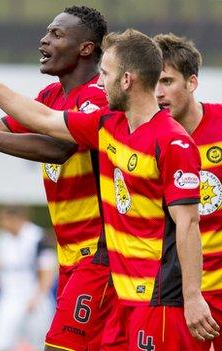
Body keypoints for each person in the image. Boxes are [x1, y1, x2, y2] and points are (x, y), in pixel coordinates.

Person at [0, 28, 219, 349]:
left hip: (157, 297)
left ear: (126, 80)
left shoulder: (173, 142)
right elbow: (44, 118)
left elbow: (188, 223)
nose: (100, 82)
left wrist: (193, 296)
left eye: (106, 74)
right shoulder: (107, 127)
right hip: (122, 294)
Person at [0, 6, 115, 351]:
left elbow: (58, 147)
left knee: (59, 346)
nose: (44, 41)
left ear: (86, 48)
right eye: (47, 33)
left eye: (57, 34)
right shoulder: (50, 97)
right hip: (70, 256)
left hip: (100, 254)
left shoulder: (98, 95)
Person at [153, 33, 222, 350]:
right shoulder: (143, 138)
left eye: (167, 81)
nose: (158, 93)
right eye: (153, 81)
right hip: (175, 293)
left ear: (192, 82)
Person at [0, 205, 56, 351]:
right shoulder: (1, 238)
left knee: (40, 343)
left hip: (34, 297)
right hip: (9, 296)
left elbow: (47, 270)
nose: (2, 225)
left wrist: (38, 297)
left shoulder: (37, 237)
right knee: (1, 342)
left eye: (4, 221)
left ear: (16, 218)